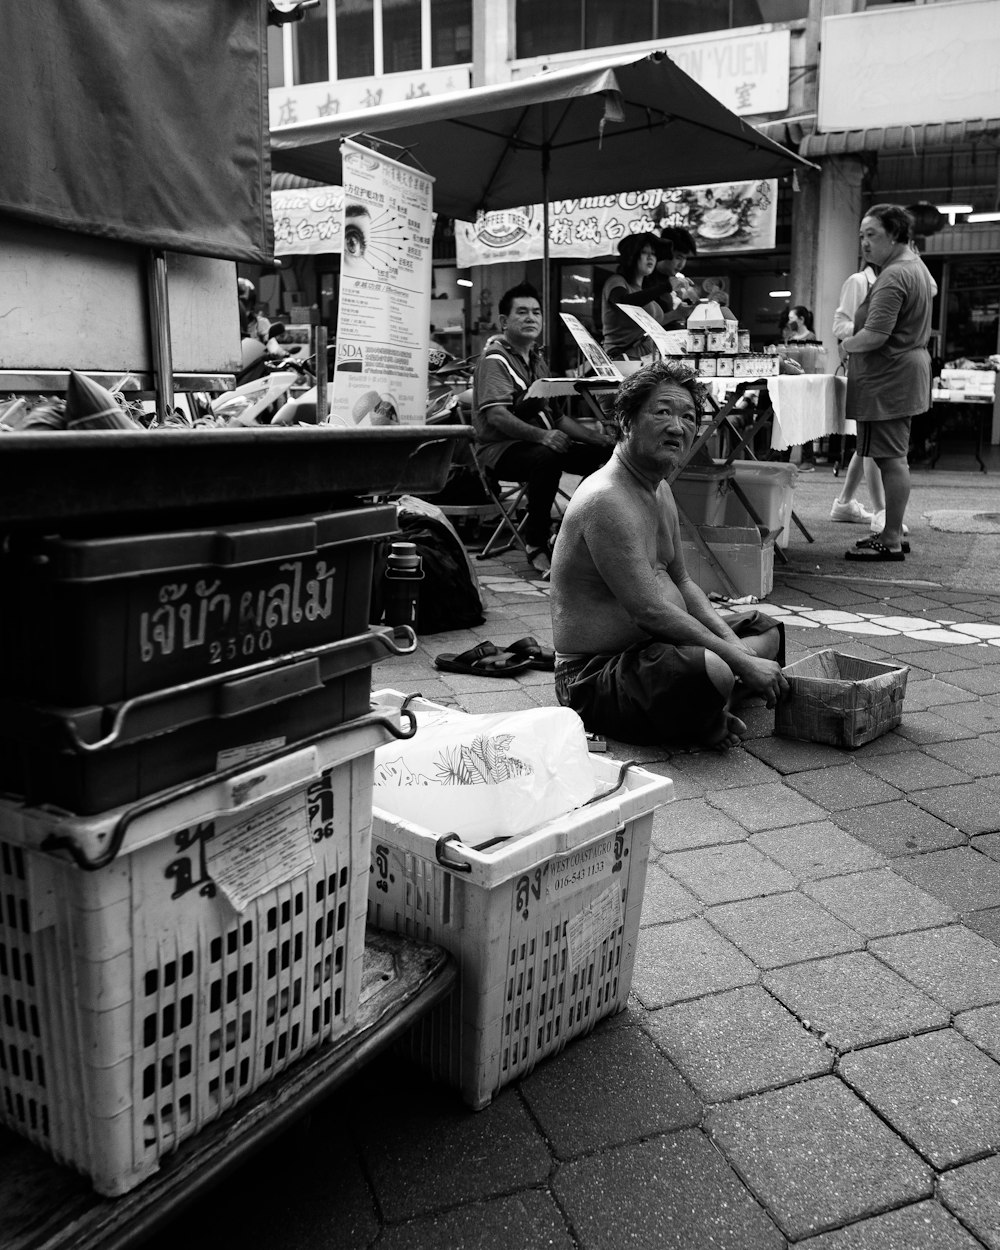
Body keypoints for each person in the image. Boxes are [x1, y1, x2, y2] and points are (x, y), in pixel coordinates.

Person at [550, 359, 788, 750]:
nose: (678, 427)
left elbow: (681, 580)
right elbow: (650, 611)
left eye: (689, 416)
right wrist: (738, 661)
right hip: (594, 674)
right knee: (717, 669)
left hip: (658, 648)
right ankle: (710, 702)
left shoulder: (658, 487)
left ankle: (704, 706)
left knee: (764, 631)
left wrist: (735, 646)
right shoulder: (606, 500)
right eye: (662, 412)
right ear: (626, 422)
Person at [472, 282, 615, 573]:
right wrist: (543, 436)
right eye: (521, 312)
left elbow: (559, 418)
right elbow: (497, 416)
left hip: (540, 445)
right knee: (546, 458)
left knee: (606, 458)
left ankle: (568, 532)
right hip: (501, 452)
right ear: (504, 322)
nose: (531, 318)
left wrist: (599, 439)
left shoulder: (538, 361)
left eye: (536, 312)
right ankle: (535, 542)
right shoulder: (494, 361)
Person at [841, 204, 934, 562]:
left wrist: (846, 344)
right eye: (861, 235)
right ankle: (889, 531)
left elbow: (875, 335)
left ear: (894, 235)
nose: (864, 243)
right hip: (900, 373)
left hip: (890, 376)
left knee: (892, 459)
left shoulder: (895, 274)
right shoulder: (915, 267)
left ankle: (892, 536)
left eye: (872, 235)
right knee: (890, 457)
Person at [600, 230, 697, 359]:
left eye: (653, 254)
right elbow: (624, 302)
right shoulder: (617, 281)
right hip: (624, 359)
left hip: (647, 358)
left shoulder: (643, 288)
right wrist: (666, 287)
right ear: (632, 256)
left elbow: (654, 323)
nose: (650, 257)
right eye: (644, 252)